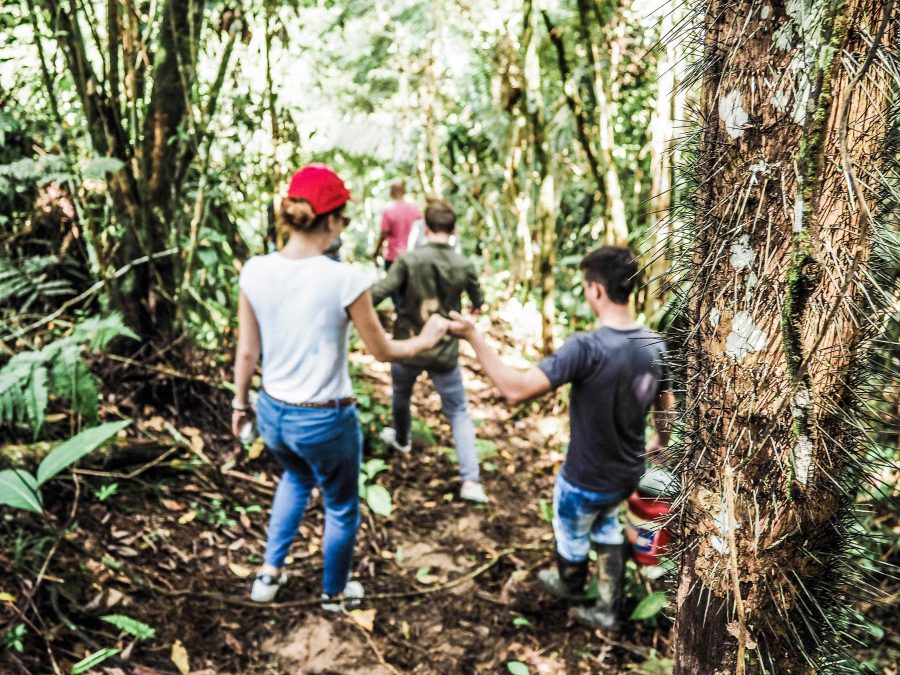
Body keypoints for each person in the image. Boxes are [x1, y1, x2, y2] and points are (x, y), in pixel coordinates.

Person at [231, 164, 449, 606]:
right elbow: (383, 351)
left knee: (294, 477)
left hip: (273, 413)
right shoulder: (345, 279)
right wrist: (426, 340)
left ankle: (268, 576)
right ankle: (334, 594)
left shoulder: (255, 270)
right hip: (324, 420)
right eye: (344, 218)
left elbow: (247, 352)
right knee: (341, 504)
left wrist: (239, 405)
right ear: (330, 220)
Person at [448, 246, 675, 629]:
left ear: (596, 290)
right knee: (606, 527)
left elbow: (516, 388)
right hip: (625, 474)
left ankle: (570, 584)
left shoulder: (586, 348)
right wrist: (661, 440)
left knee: (571, 532)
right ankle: (608, 609)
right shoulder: (654, 344)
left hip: (583, 479)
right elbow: (666, 405)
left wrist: (473, 337)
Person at [371, 202, 488, 503]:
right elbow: (477, 301)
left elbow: (381, 292)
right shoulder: (464, 265)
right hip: (444, 349)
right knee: (458, 412)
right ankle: (471, 481)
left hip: (408, 346)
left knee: (401, 394)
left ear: (425, 229)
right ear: (454, 230)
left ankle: (402, 439)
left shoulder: (408, 261)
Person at [372, 180, 422, 305]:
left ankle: (400, 314)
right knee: (411, 291)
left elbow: (384, 234)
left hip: (393, 257)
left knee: (395, 291)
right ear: (403, 191)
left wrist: (376, 252)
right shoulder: (414, 208)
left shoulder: (389, 209)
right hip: (413, 256)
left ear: (392, 192)